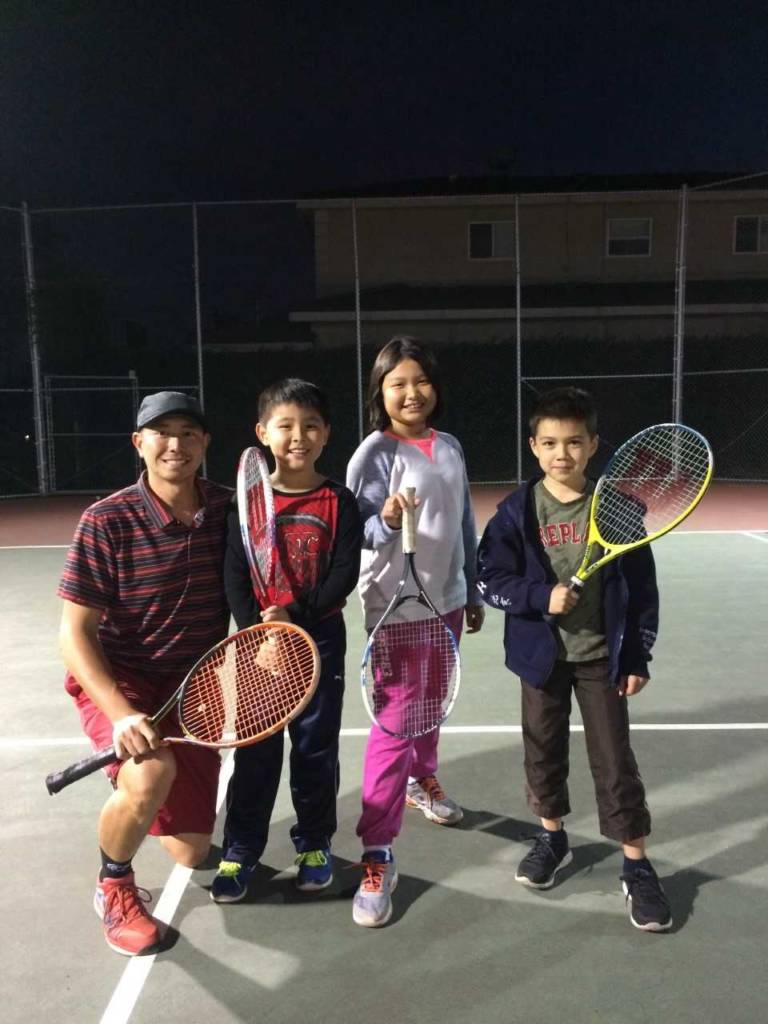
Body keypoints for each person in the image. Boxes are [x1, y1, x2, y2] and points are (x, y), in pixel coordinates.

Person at [476, 386, 672, 932]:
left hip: (601, 659)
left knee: (615, 762)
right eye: (550, 443)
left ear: (592, 446)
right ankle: (552, 836)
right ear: (534, 448)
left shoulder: (616, 509)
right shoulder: (516, 512)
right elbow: (490, 578)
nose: (562, 453)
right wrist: (542, 598)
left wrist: (637, 653)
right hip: (542, 659)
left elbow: (641, 588)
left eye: (574, 442)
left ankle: (636, 865)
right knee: (543, 752)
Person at [57, 391, 232, 956]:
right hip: (122, 677)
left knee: (193, 853)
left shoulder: (230, 509)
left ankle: (137, 800)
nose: (175, 444)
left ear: (205, 443)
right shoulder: (106, 520)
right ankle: (113, 884)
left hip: (192, 686)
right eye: (160, 433)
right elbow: (74, 634)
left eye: (187, 432)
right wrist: (121, 713)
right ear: (139, 443)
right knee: (151, 772)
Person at [346, 335, 484, 927]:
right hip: (395, 607)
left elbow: (464, 521)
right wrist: (387, 517)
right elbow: (357, 532)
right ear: (381, 391)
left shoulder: (448, 445)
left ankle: (422, 781)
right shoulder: (374, 453)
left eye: (420, 380)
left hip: (446, 599)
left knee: (432, 705)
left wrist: (472, 586)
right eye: (397, 383)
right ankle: (377, 853)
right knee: (395, 723)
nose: (411, 392)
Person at [211, 378, 362, 902]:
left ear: (326, 435)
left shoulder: (340, 500)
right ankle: (241, 848)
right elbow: (233, 572)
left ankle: (315, 843)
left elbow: (343, 574)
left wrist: (293, 615)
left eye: (311, 426)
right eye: (286, 426)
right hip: (258, 644)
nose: (299, 436)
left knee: (315, 749)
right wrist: (259, 624)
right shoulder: (247, 502)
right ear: (263, 433)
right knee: (255, 751)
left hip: (319, 641)